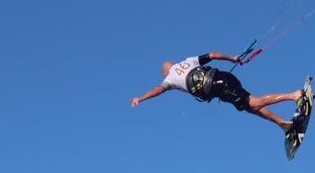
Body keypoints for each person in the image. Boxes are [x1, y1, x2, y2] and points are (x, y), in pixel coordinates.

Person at [130, 52, 304, 132]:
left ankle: (294, 95)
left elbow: (158, 90)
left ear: (165, 72)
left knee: (254, 103)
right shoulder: (188, 60)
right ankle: (283, 124)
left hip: (218, 86)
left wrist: (141, 98)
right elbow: (212, 55)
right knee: (250, 107)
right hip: (222, 78)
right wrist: (233, 58)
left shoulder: (169, 79)